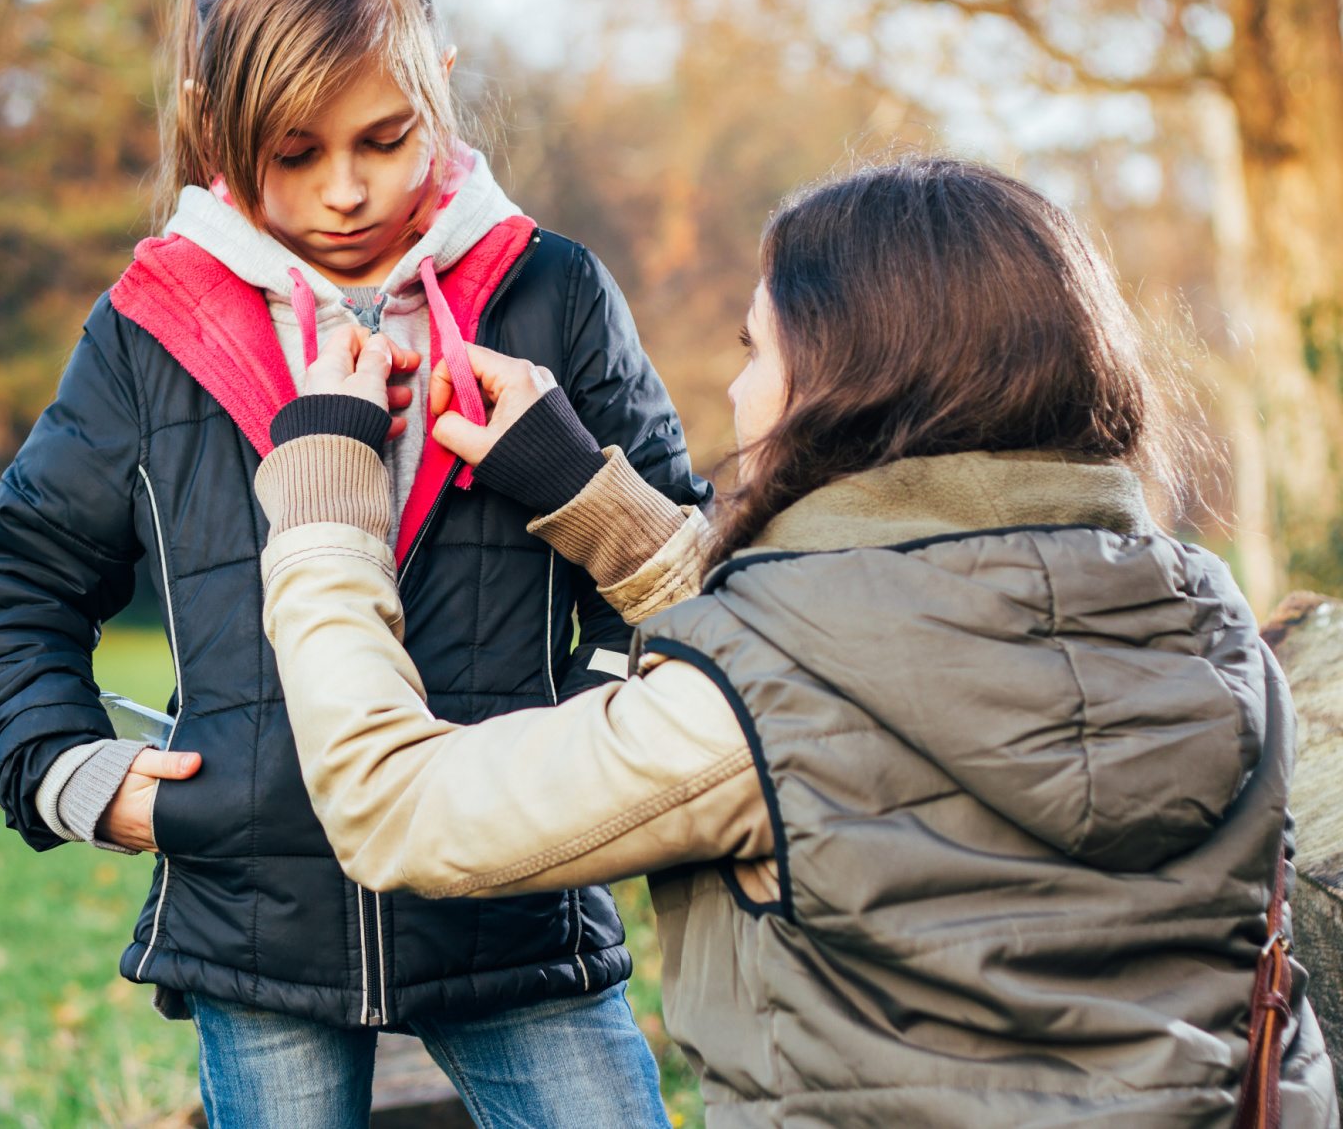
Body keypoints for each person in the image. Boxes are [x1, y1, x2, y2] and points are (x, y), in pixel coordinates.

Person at [252, 157, 1338, 1126]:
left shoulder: (752, 707)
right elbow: (876, 655)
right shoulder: (1211, 630)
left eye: (753, 347)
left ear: (842, 384)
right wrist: (593, 502)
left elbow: (398, 806)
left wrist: (321, 512)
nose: (732, 385)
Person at [0, 0, 707, 1126]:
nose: (344, 192)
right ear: (210, 123)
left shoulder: (553, 296)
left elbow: (688, 597)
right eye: (291, 154)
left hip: (516, 907)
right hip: (258, 925)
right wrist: (77, 772)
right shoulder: (152, 333)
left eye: (384, 139)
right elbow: (18, 580)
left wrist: (573, 534)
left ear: (440, 85)